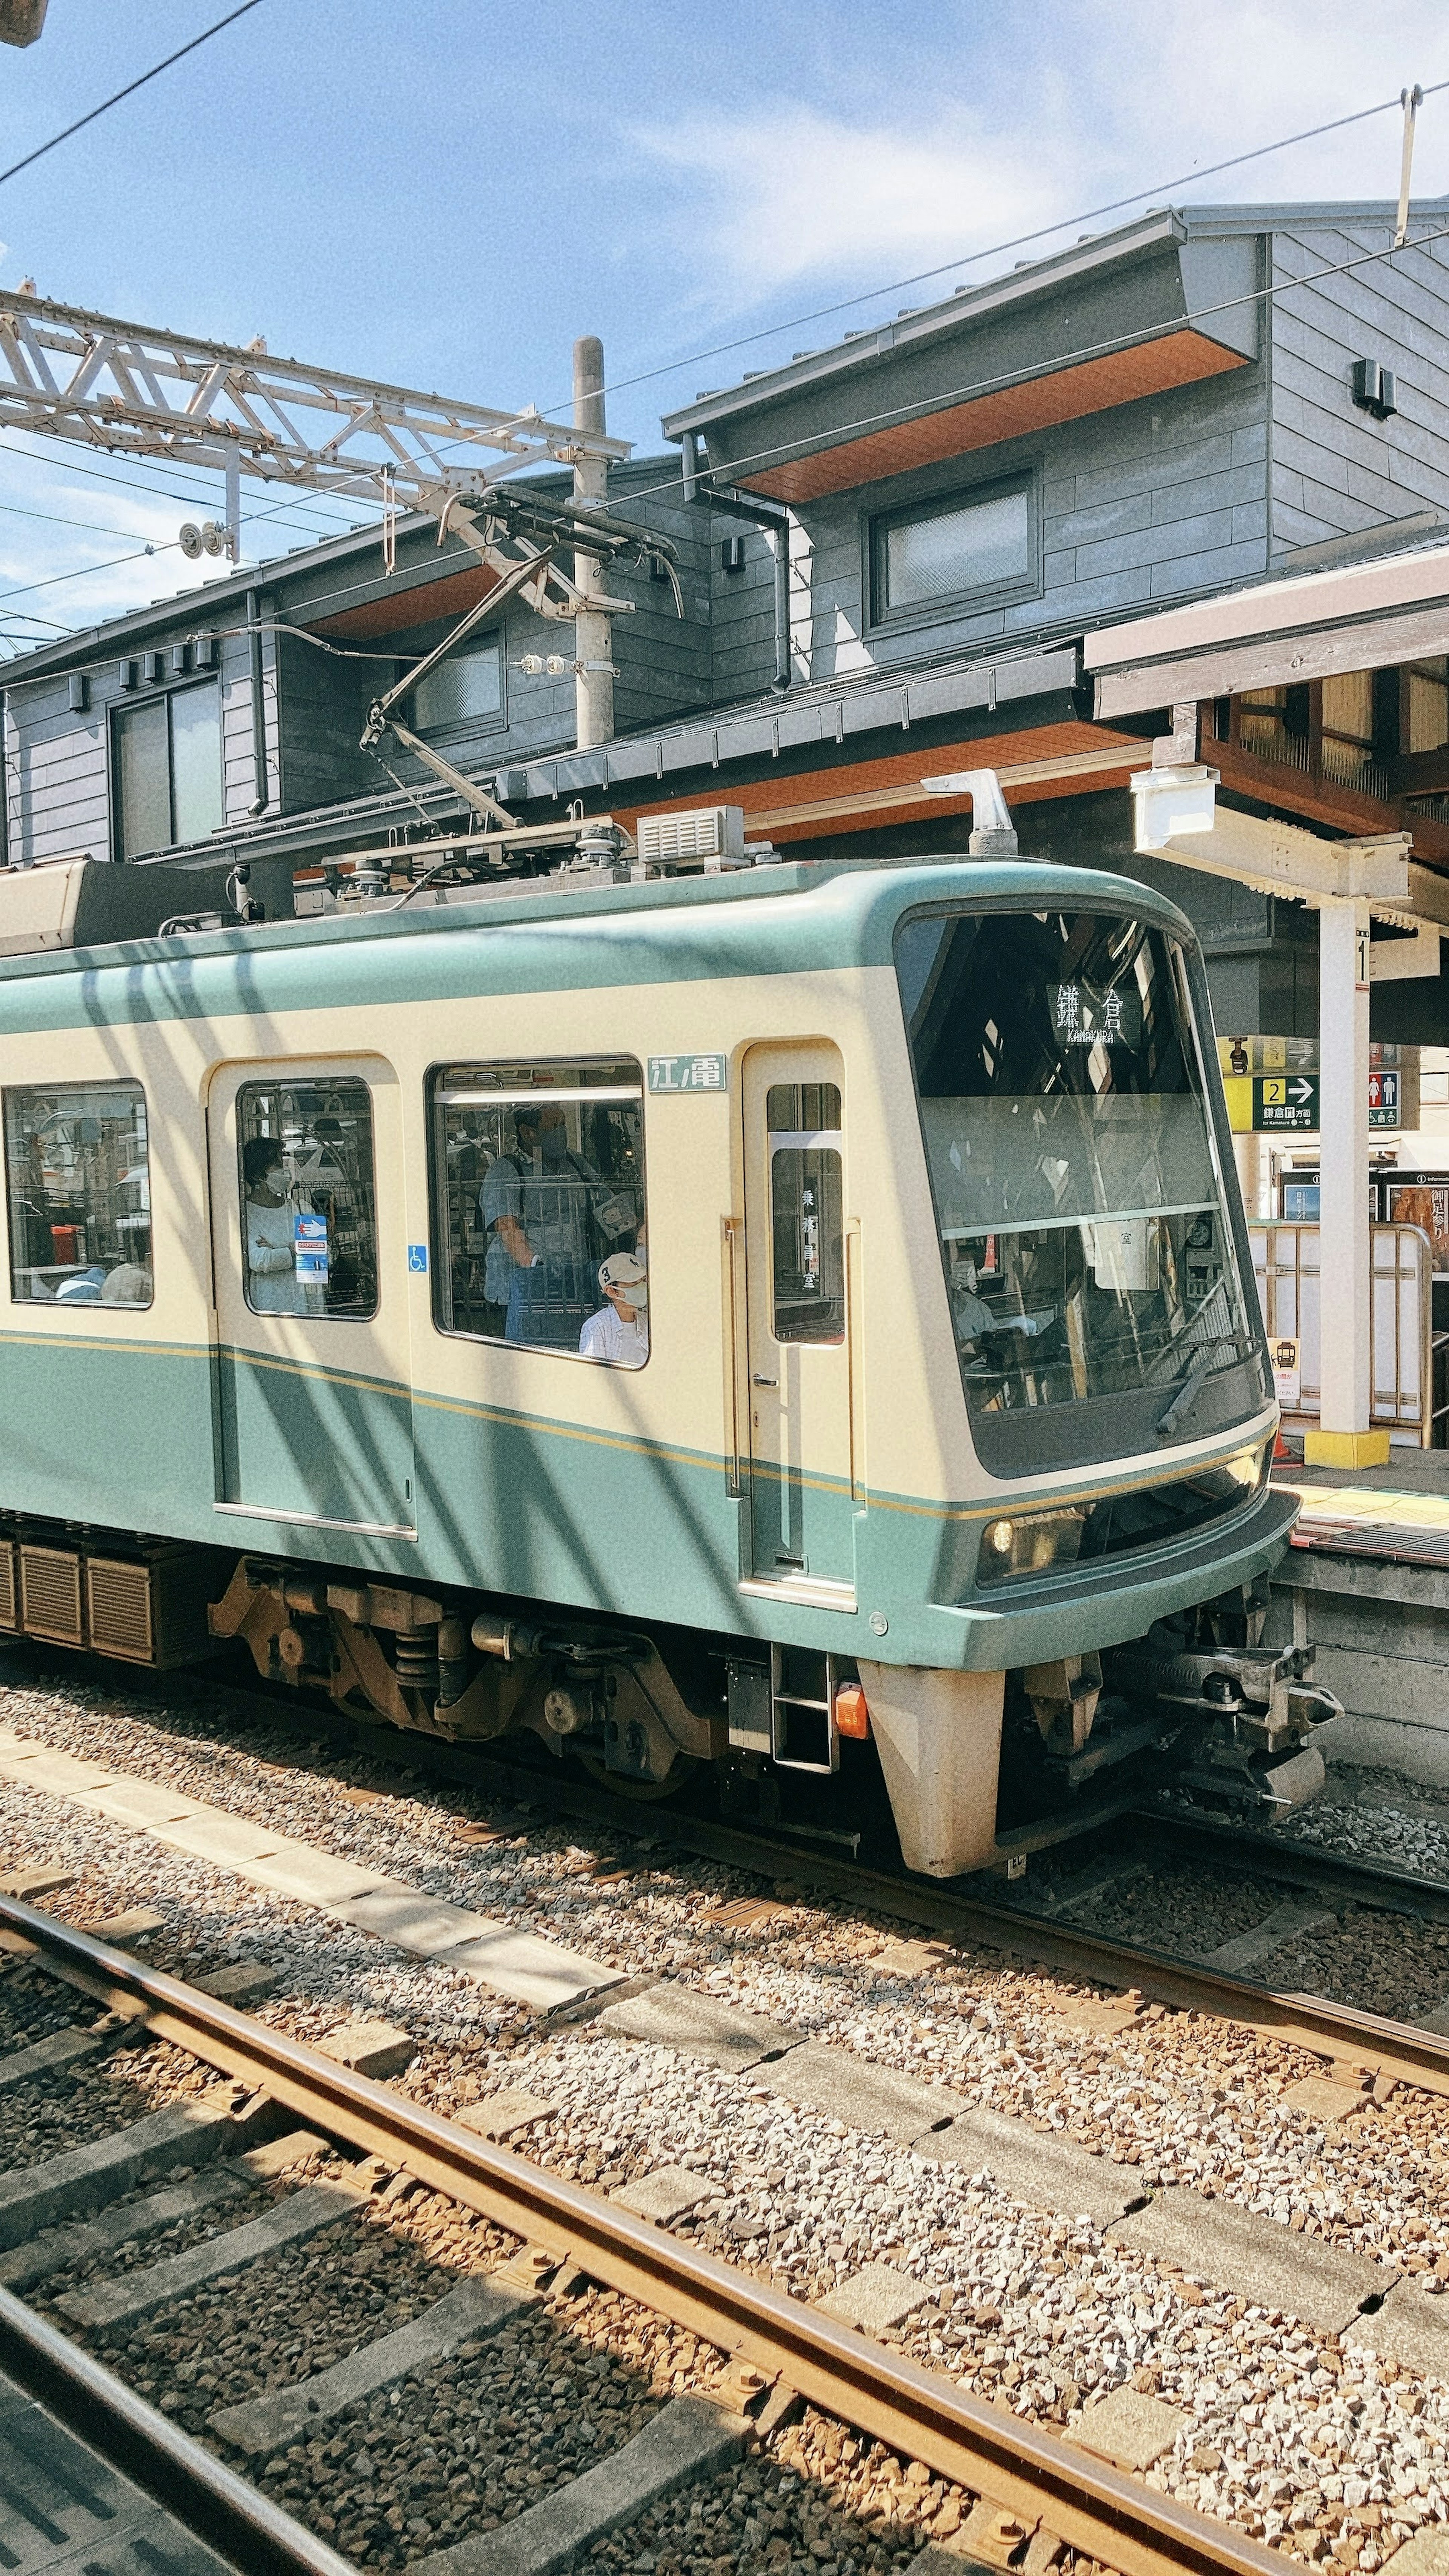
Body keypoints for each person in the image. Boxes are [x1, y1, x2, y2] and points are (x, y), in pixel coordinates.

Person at [480, 1103, 633, 1347]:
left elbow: (609, 1206)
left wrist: (639, 1239)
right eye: (554, 1126)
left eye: (563, 1124)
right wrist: (536, 1268)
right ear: (529, 1132)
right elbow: (508, 1228)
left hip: (574, 1282)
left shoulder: (575, 1163)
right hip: (526, 1287)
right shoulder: (507, 1169)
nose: (562, 1132)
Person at [242, 1134, 315, 1316]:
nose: (285, 1172)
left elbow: (317, 1255)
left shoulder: (299, 1209)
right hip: (263, 1306)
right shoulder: (246, 1213)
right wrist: (293, 1250)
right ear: (259, 1175)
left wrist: (276, 1250)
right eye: (277, 1165)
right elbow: (259, 1260)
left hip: (300, 1301)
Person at [579, 1251, 648, 1367]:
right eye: (633, 1282)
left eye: (643, 1280)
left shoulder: (649, 1321)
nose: (641, 1286)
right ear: (612, 1291)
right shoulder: (596, 1327)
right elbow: (595, 1375)